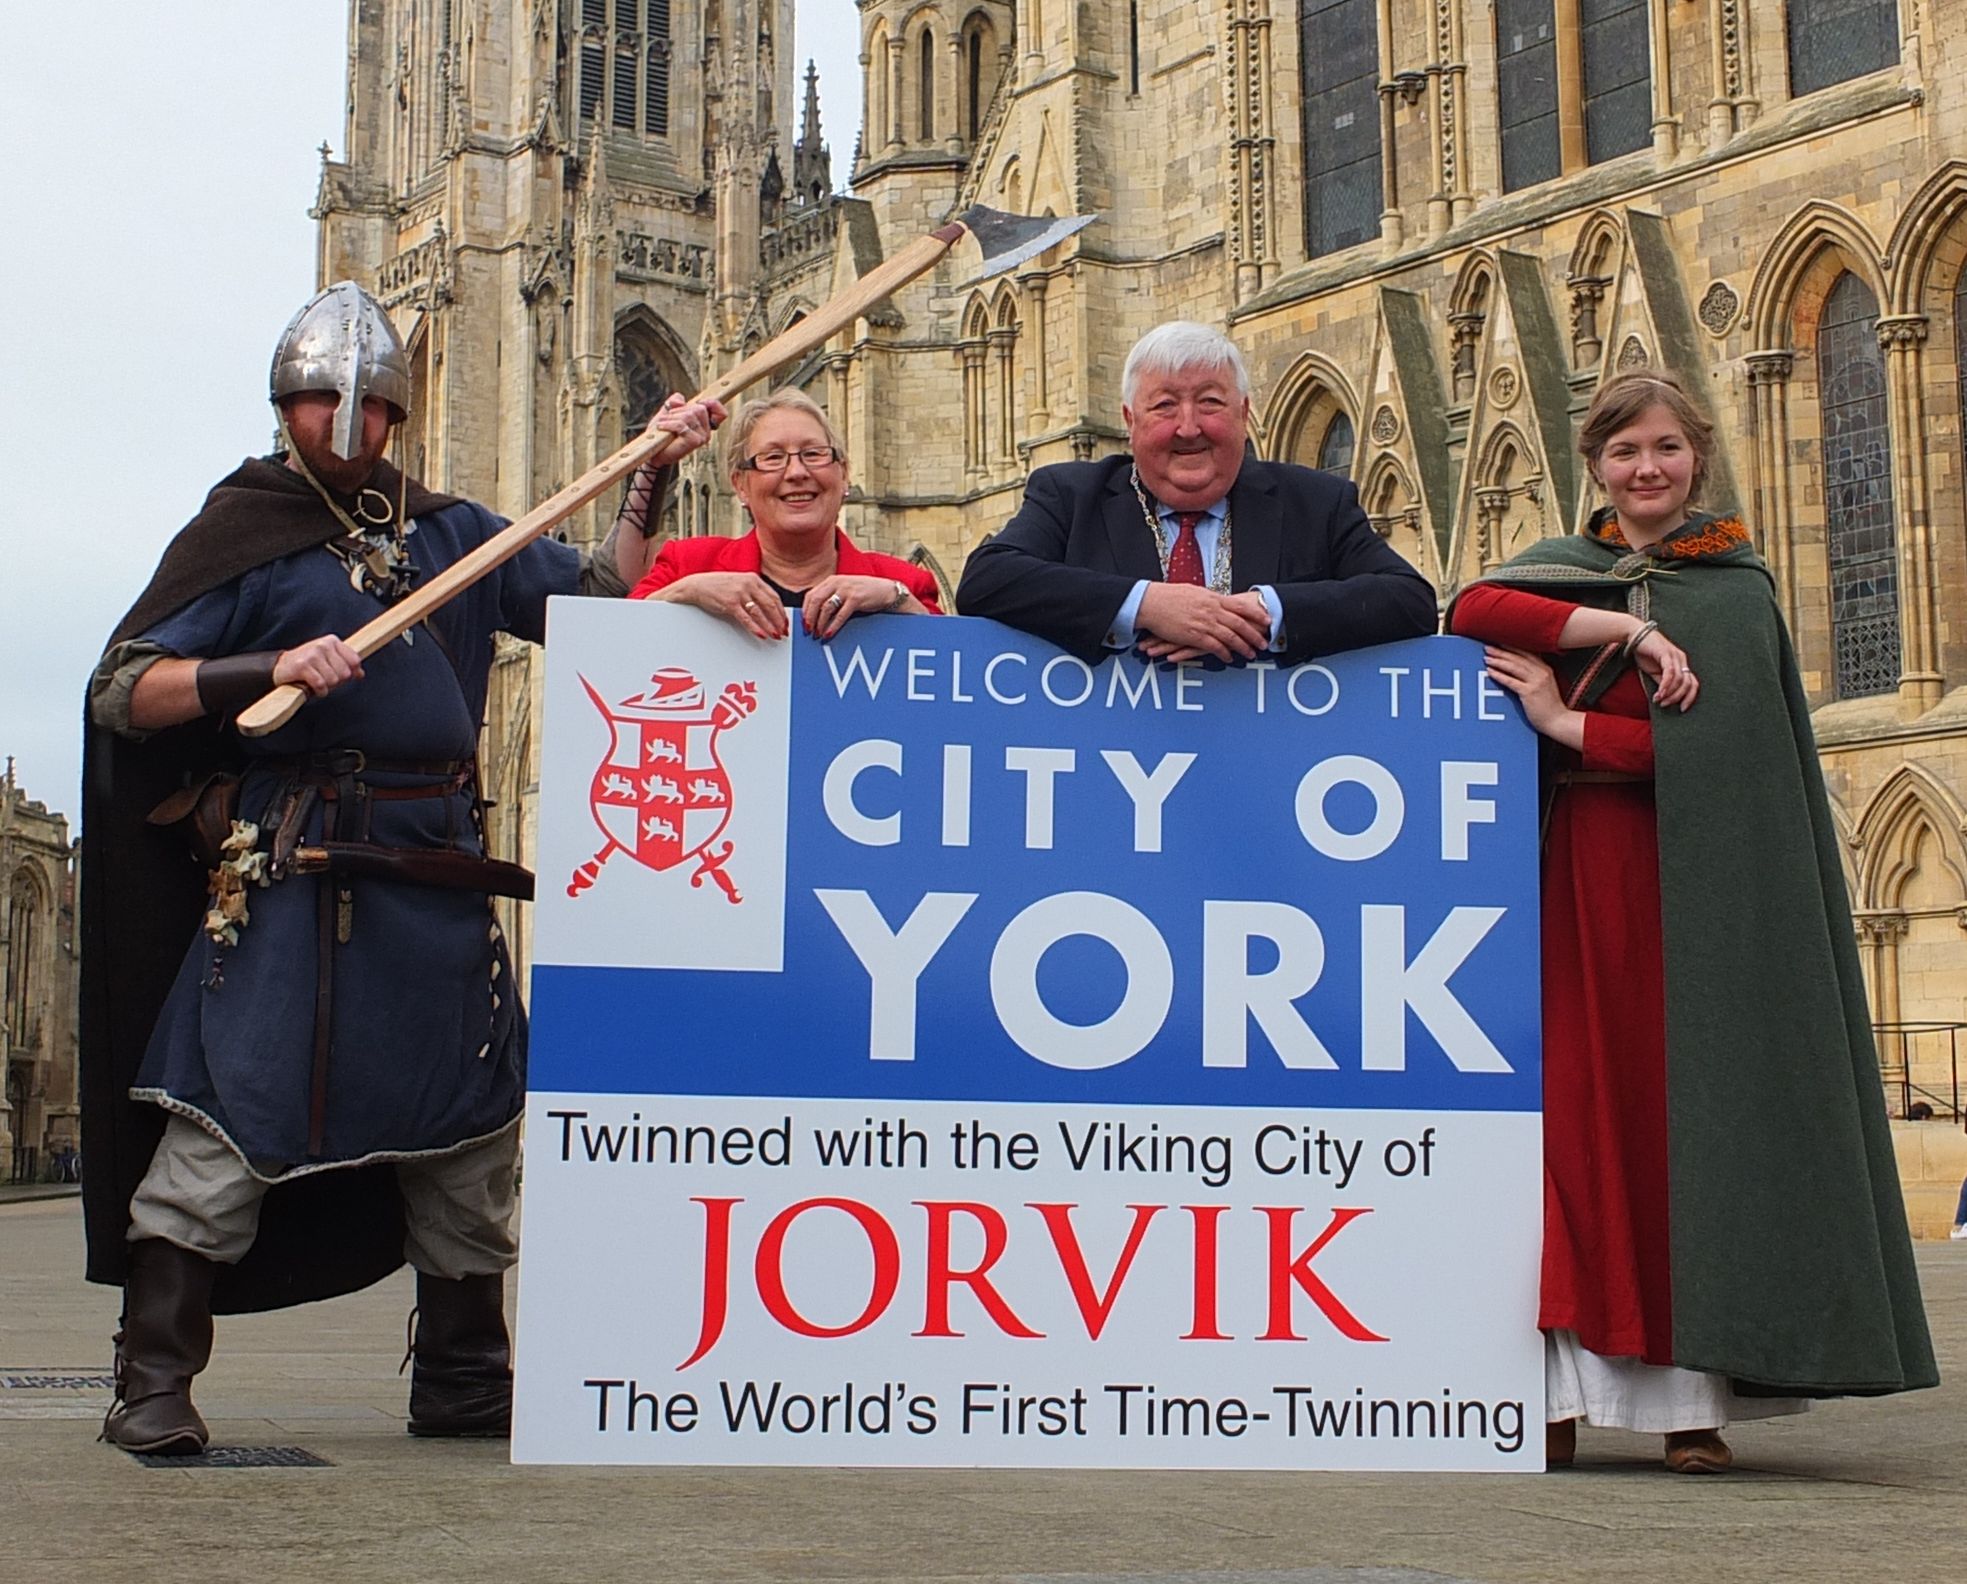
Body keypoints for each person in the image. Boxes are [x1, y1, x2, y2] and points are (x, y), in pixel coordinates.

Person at [80, 281, 721, 1456]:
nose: (348, 424)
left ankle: (464, 1376)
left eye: (369, 404)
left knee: (468, 1124)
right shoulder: (245, 532)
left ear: (396, 410)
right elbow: (127, 689)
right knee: (232, 1108)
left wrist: (648, 474)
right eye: (324, 402)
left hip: (436, 866)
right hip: (296, 869)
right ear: (286, 408)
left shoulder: (451, 534)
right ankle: (154, 1378)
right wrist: (267, 666)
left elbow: (598, 601)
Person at [1447, 369, 1936, 1473]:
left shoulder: (1733, 589)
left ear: (1696, 457)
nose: (1646, 469)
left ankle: (1687, 1408)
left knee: (1681, 1132)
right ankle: (1550, 1397)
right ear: (1594, 466)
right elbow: (1473, 610)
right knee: (1571, 1130)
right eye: (1624, 452)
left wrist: (1564, 722)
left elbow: (1729, 757)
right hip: (1570, 881)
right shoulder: (1566, 569)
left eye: (1664, 448)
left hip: (1694, 894)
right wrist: (1622, 631)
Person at [953, 321, 1434, 661]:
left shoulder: (1316, 502)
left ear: (1243, 414)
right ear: (1130, 421)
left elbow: (1410, 601)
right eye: (1164, 406)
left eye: (1210, 402)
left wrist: (1265, 612)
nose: (1188, 427)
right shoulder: (1070, 495)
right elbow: (986, 581)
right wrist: (1146, 605)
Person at [630, 388, 942, 632]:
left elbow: (953, 673)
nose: (797, 472)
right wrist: (685, 593)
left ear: (844, 474)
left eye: (814, 454)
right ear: (740, 485)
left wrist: (897, 600)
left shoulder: (903, 583)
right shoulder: (689, 565)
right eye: (773, 458)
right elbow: (620, 640)